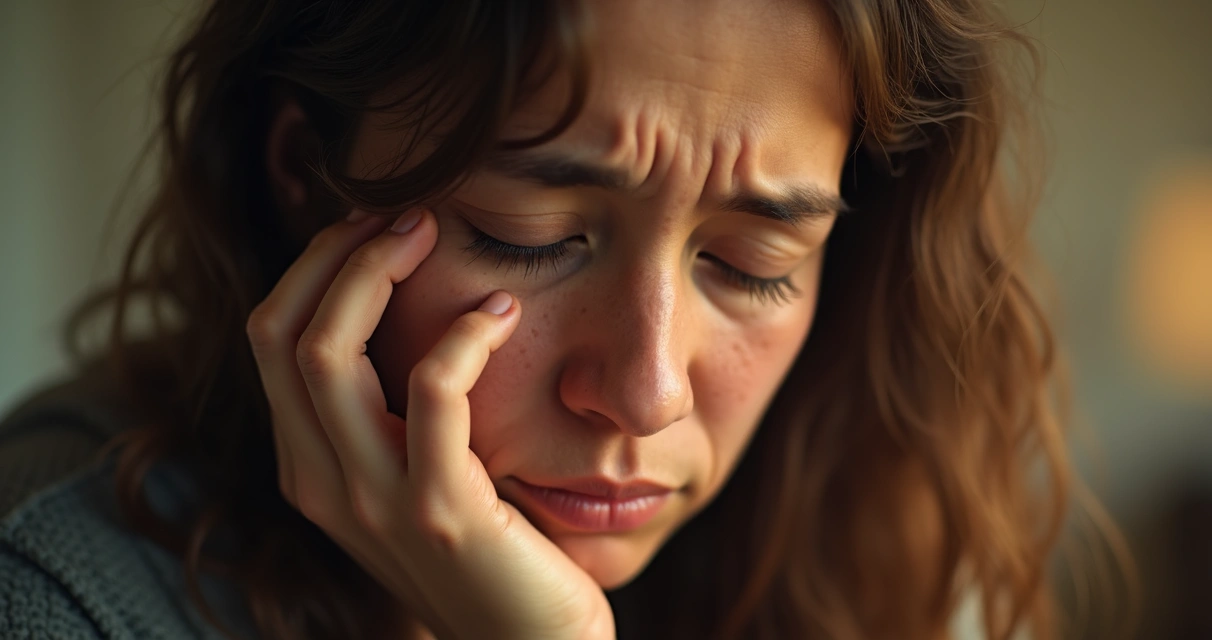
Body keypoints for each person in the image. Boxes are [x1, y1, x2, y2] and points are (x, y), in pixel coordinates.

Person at [0, 0, 1127, 638]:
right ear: (307, 170)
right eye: (528, 234)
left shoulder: (885, 545)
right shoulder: (57, 593)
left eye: (752, 261)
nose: (646, 389)